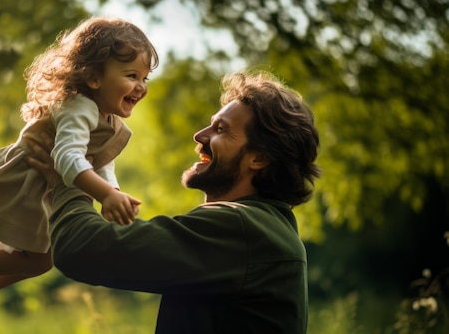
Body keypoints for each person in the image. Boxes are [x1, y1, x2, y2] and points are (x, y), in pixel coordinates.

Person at [26, 69, 321, 334]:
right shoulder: (261, 229)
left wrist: (65, 179)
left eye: (221, 130)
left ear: (260, 158)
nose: (199, 135)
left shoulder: (243, 229)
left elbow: (82, 249)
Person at [0, 15, 159, 333]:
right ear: (93, 78)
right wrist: (106, 195)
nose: (141, 87)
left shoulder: (107, 119)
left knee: (40, 260)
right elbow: (66, 158)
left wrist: (113, 194)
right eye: (132, 75)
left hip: (45, 187)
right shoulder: (79, 107)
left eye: (145, 78)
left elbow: (101, 163)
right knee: (40, 259)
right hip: (26, 179)